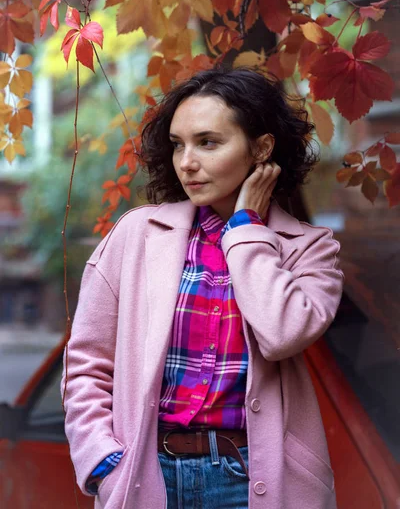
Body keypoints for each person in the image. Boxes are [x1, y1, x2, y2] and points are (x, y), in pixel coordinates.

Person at [62, 67, 344, 509]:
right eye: (178, 145)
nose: (186, 162)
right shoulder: (135, 235)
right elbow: (86, 364)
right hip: (144, 475)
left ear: (262, 148)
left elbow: (282, 333)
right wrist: (102, 461)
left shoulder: (309, 250)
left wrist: (246, 228)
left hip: (253, 478)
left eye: (207, 142)